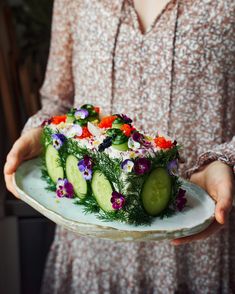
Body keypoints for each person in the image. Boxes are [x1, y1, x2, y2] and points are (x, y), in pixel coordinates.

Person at [4, 0, 235, 293]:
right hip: (91, 250)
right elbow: (59, 101)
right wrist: (43, 134)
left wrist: (226, 160)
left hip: (197, 249)